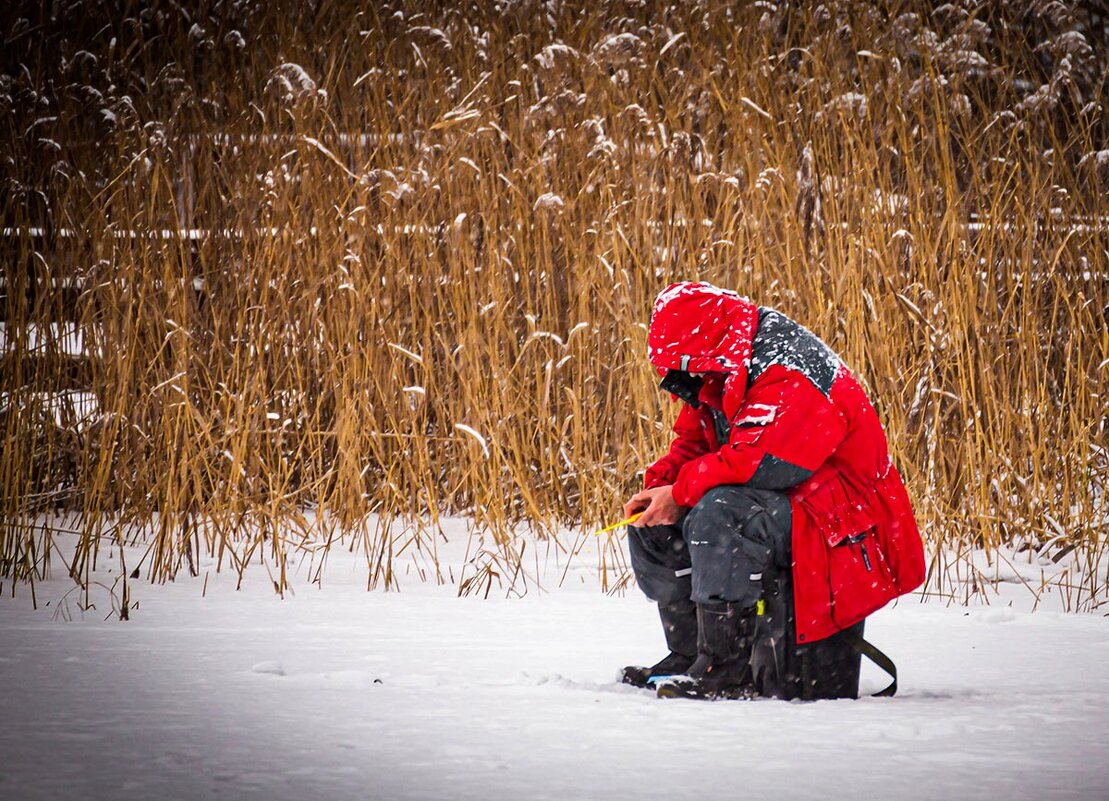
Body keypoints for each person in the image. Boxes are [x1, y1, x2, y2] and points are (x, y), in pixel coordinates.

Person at [621, 281, 926, 700]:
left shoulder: (789, 369)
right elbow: (696, 444)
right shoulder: (725, 363)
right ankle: (690, 654)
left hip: (843, 525)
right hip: (793, 505)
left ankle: (723, 669)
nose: (680, 379)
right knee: (653, 521)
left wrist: (681, 493)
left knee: (721, 513)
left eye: (683, 366)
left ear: (704, 350)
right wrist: (661, 486)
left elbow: (757, 464)